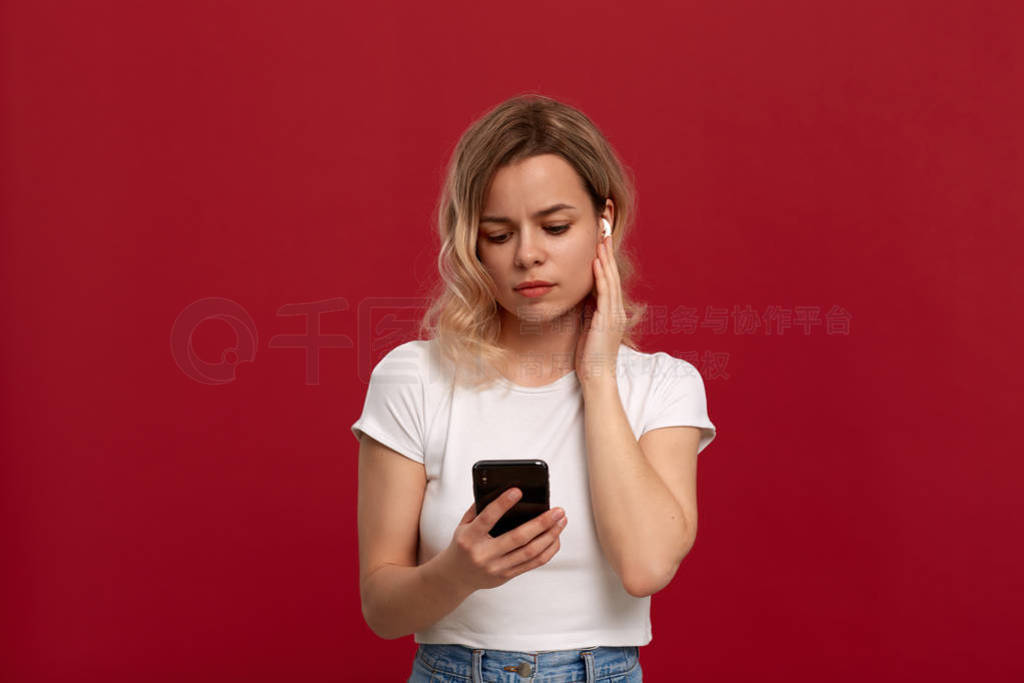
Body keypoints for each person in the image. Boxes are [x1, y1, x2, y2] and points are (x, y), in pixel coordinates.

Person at [351, 93, 717, 682]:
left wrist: (598, 376)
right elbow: (382, 608)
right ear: (472, 242)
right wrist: (459, 573)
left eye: (555, 227)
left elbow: (646, 566)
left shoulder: (664, 385)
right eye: (498, 234)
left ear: (605, 221)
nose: (528, 255)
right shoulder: (411, 378)